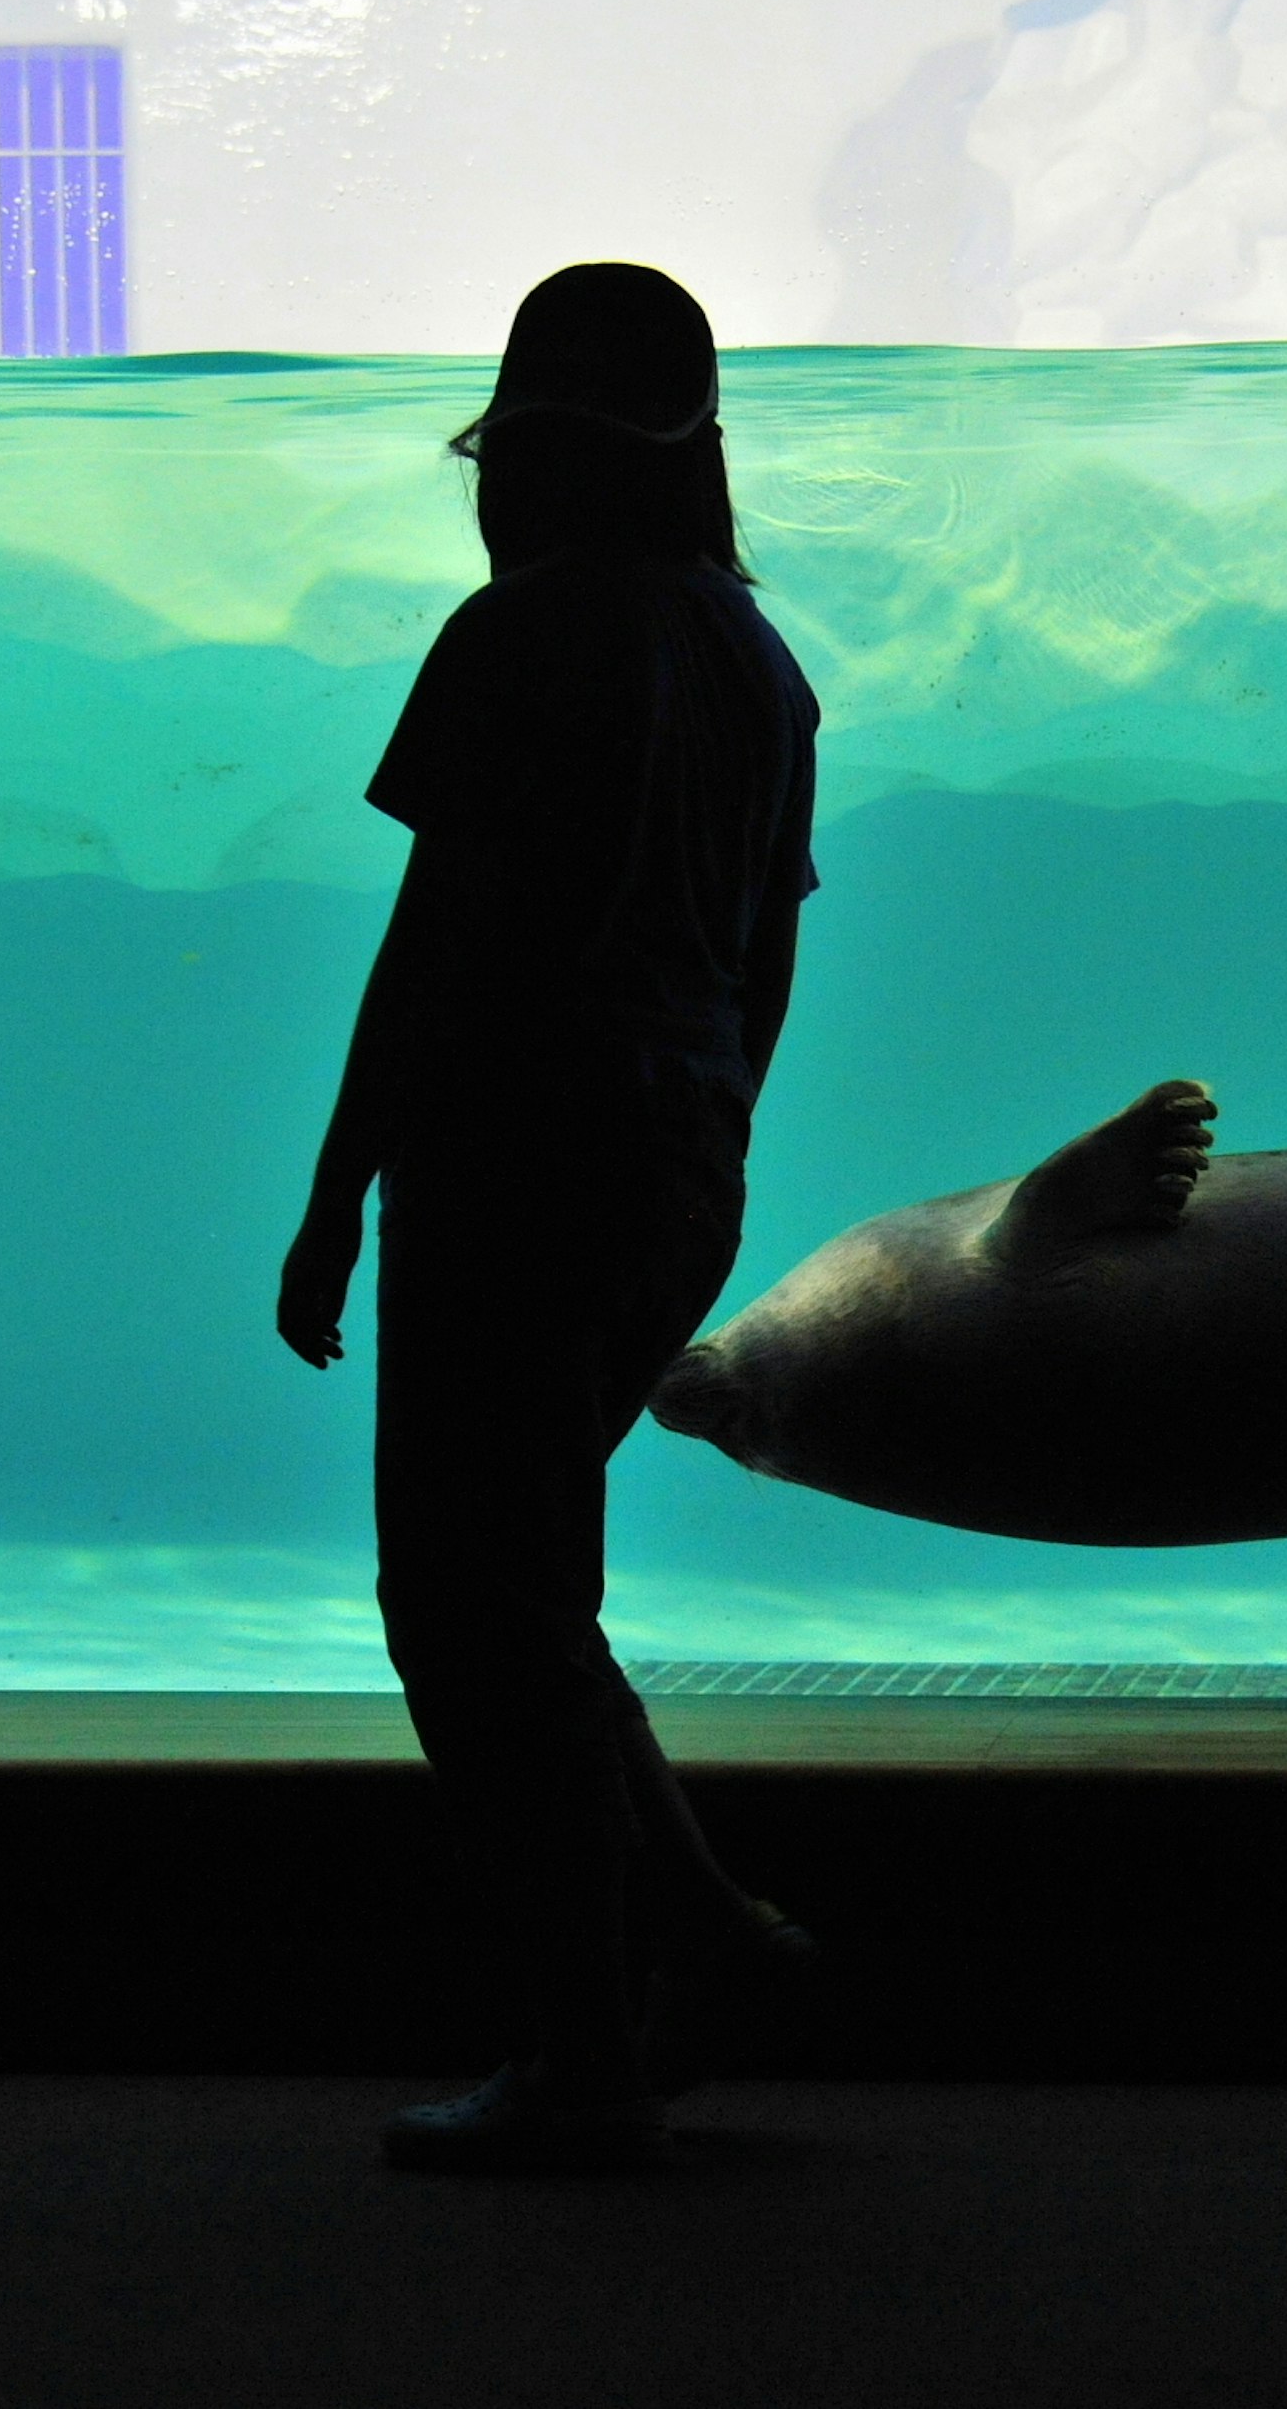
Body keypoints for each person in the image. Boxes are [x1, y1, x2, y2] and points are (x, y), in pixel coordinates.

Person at [277, 262, 827, 2175]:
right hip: (677, 1160)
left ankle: (583, 2045)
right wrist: (703, 1169)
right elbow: (762, 971)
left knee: (463, 1604)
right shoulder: (762, 666)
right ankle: (709, 1941)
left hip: (511, 1153)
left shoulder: (518, 639)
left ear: (523, 453)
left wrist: (339, 1184)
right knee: (528, 1594)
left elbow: (438, 945)